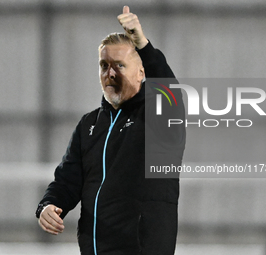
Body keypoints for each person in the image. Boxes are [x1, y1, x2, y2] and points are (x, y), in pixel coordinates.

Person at [35, 6, 186, 255]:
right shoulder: (89, 125)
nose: (110, 73)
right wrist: (48, 205)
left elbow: (169, 93)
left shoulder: (159, 117)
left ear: (142, 73)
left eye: (119, 65)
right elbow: (67, 181)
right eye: (104, 65)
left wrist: (142, 44)